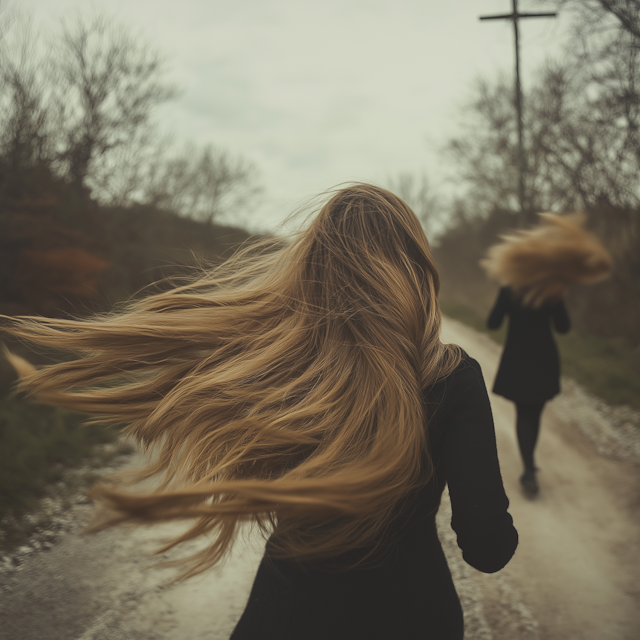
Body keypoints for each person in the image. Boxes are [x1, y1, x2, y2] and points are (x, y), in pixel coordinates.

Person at [4, 184, 518, 640]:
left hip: (291, 611)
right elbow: (487, 549)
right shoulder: (452, 377)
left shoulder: (287, 365)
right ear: (413, 266)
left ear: (318, 268)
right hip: (412, 615)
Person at [482, 213, 612, 497]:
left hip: (517, 359)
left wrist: (504, 299)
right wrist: (560, 294)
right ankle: (530, 468)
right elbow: (563, 328)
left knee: (522, 414)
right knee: (535, 413)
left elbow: (492, 323)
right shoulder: (552, 290)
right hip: (543, 359)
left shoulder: (510, 288)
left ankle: (528, 469)